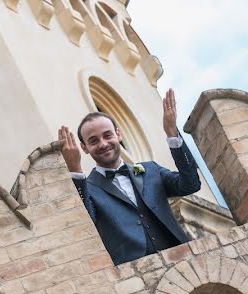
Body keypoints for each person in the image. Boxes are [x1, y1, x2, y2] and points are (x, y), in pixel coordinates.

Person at [58, 88, 201, 265]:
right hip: (133, 272)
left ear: (118, 134)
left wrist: (172, 134)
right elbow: (86, 224)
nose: (103, 144)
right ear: (85, 147)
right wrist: (75, 170)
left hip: (182, 257)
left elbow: (191, 184)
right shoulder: (88, 189)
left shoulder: (150, 170)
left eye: (107, 135)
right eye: (93, 141)